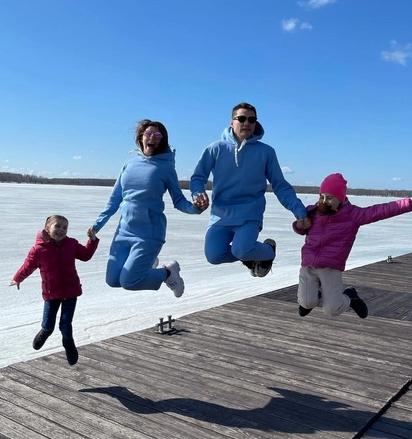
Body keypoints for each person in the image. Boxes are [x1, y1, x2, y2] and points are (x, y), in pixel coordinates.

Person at [89, 119, 206, 298]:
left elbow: (179, 201)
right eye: (149, 134)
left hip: (149, 234)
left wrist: (196, 208)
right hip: (124, 231)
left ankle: (168, 272)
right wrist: (97, 225)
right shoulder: (129, 164)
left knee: (129, 281)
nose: (153, 138)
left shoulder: (166, 167)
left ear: (162, 140)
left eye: (158, 135)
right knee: (113, 280)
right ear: (141, 137)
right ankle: (148, 265)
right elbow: (115, 199)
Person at [190, 102, 308, 277]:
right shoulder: (216, 149)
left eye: (251, 120)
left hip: (249, 215)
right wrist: (198, 193)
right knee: (214, 255)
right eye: (242, 118)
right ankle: (253, 257)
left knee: (242, 249)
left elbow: (280, 185)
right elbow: (198, 177)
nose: (246, 123)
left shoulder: (266, 152)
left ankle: (267, 250)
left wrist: (298, 210)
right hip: (221, 215)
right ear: (232, 122)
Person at [293, 173, 412, 319]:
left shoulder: (352, 215)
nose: (324, 201)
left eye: (329, 198)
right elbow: (301, 228)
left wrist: (408, 204)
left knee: (332, 310)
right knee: (306, 302)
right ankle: (314, 296)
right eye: (321, 197)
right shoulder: (313, 211)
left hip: (330, 267)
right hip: (309, 264)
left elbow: (381, 210)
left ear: (341, 198)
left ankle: (350, 297)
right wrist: (298, 225)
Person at [10, 215, 99, 365]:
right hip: (52, 293)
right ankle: (44, 332)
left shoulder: (71, 244)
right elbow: (28, 266)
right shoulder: (39, 250)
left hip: (71, 291)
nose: (61, 230)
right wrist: (18, 278)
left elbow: (85, 255)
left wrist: (92, 240)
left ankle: (68, 343)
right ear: (47, 228)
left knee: (65, 325)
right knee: (49, 326)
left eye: (65, 227)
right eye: (57, 226)